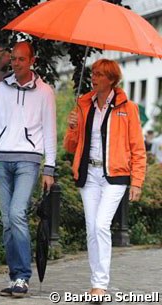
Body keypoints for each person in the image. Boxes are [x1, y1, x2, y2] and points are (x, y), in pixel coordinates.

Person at [64, 59, 146, 298]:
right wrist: (72, 127)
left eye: (100, 74)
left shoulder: (127, 107)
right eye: (93, 73)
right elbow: (71, 146)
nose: (94, 78)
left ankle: (101, 283)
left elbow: (137, 148)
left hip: (115, 176)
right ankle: (95, 283)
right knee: (92, 229)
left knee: (101, 225)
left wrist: (137, 181)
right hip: (88, 175)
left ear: (111, 80)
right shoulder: (83, 104)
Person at [0, 41, 56, 298]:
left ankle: (23, 275)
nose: (16, 62)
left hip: (29, 160)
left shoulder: (45, 92)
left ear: (32, 60)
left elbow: (50, 131)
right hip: (1, 159)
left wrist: (50, 168)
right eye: (13, 58)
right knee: (6, 222)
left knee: (16, 213)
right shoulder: (1, 89)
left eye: (21, 59)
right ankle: (15, 278)